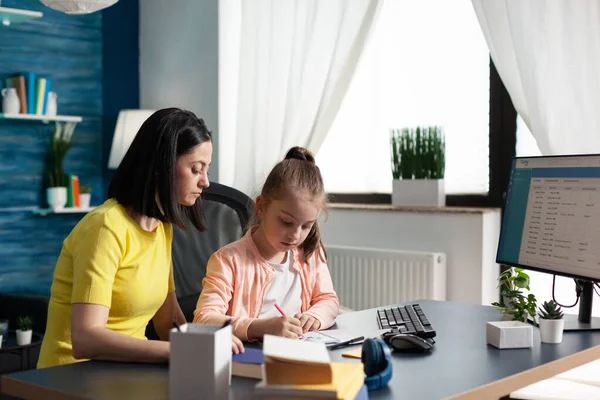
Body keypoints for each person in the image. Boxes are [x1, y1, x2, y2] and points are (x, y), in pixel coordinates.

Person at [38, 108, 243, 369]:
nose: (205, 182)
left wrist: (215, 341)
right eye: (196, 169)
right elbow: (86, 339)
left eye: (207, 170)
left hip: (125, 370)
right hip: (72, 374)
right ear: (161, 167)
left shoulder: (161, 227)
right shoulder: (105, 227)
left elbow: (167, 320)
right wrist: (182, 350)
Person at [194, 146, 339, 341]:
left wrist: (314, 317)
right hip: (250, 358)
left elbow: (328, 300)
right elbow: (203, 319)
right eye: (286, 222)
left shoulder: (310, 253)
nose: (295, 235)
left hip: (298, 354)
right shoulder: (228, 260)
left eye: (306, 226)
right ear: (261, 206)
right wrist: (259, 327)